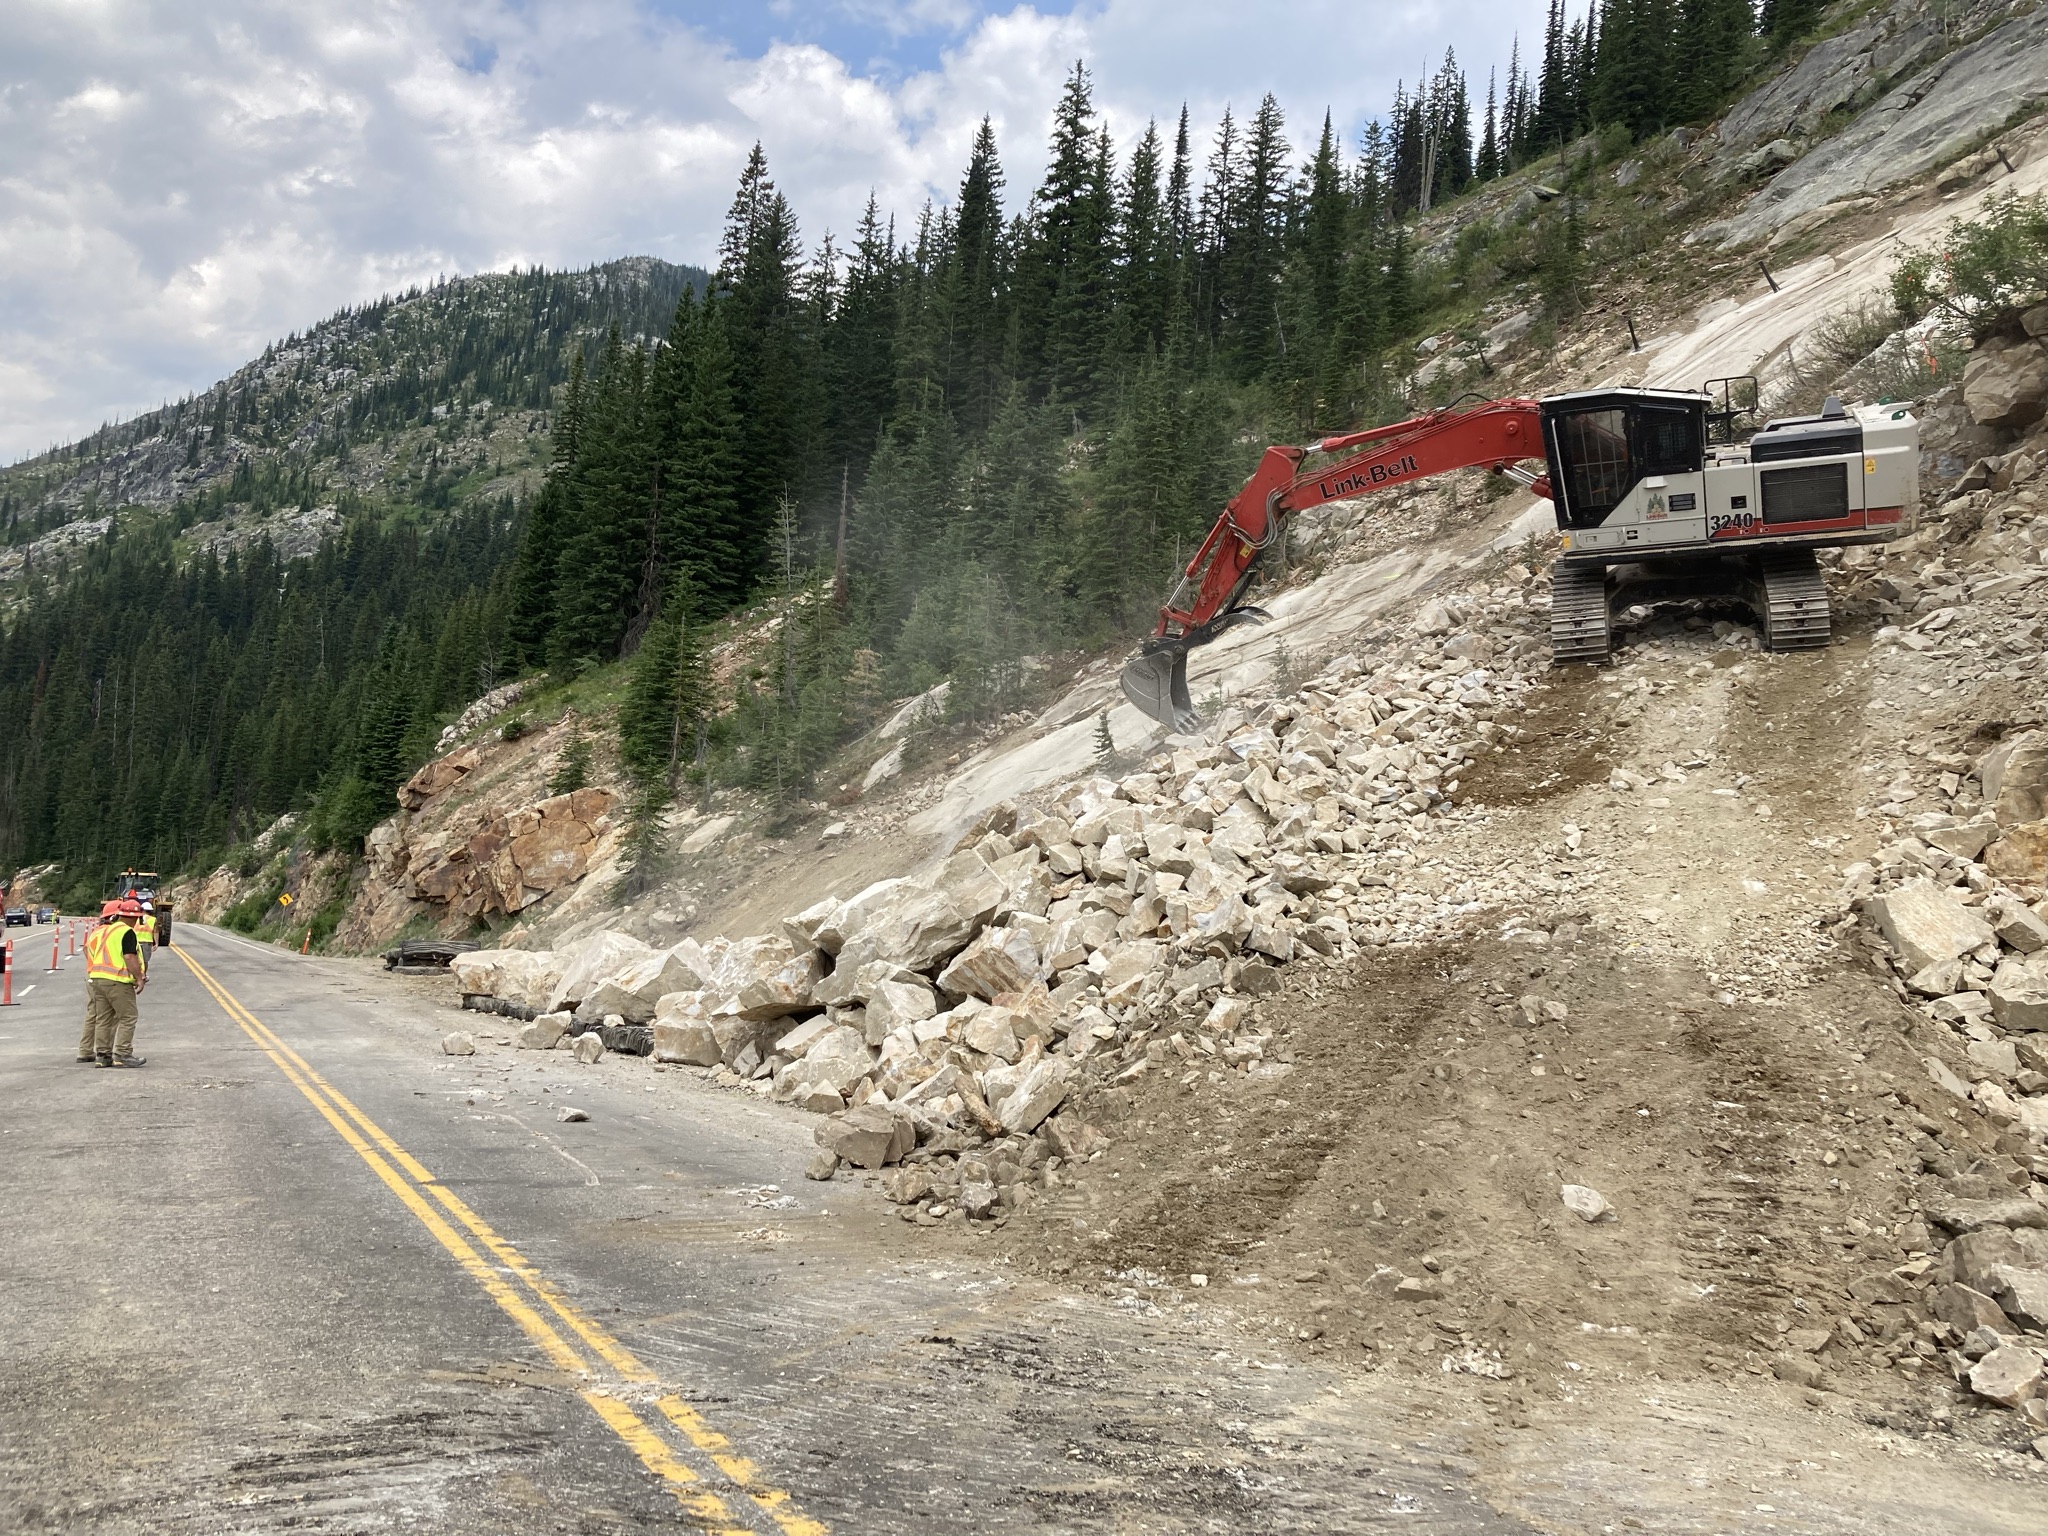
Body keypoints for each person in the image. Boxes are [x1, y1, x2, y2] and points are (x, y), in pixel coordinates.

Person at [79, 900, 147, 1068]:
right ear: (136, 918)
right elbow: (129, 957)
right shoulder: (127, 932)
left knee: (103, 1018)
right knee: (128, 1017)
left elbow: (88, 950)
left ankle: (103, 1056)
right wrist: (139, 978)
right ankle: (123, 1053)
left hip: (97, 979)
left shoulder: (105, 930)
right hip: (117, 980)